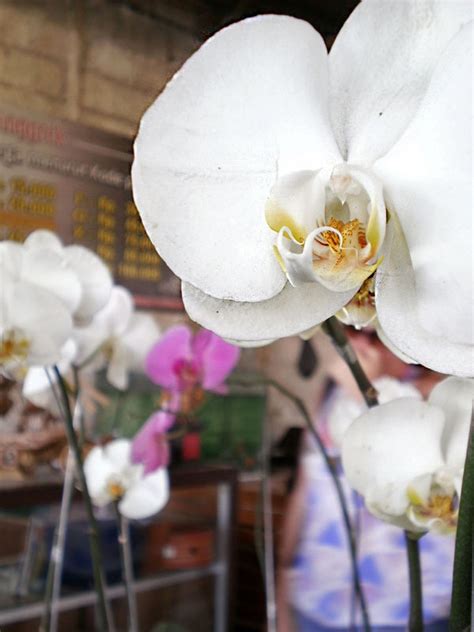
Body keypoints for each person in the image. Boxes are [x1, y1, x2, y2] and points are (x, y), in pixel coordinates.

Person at [276, 328, 453, 631]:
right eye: (348, 330)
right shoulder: (331, 390)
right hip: (317, 598)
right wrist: (282, 572)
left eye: (373, 334)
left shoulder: (440, 394)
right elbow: (306, 489)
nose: (357, 340)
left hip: (409, 609)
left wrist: (371, 391)